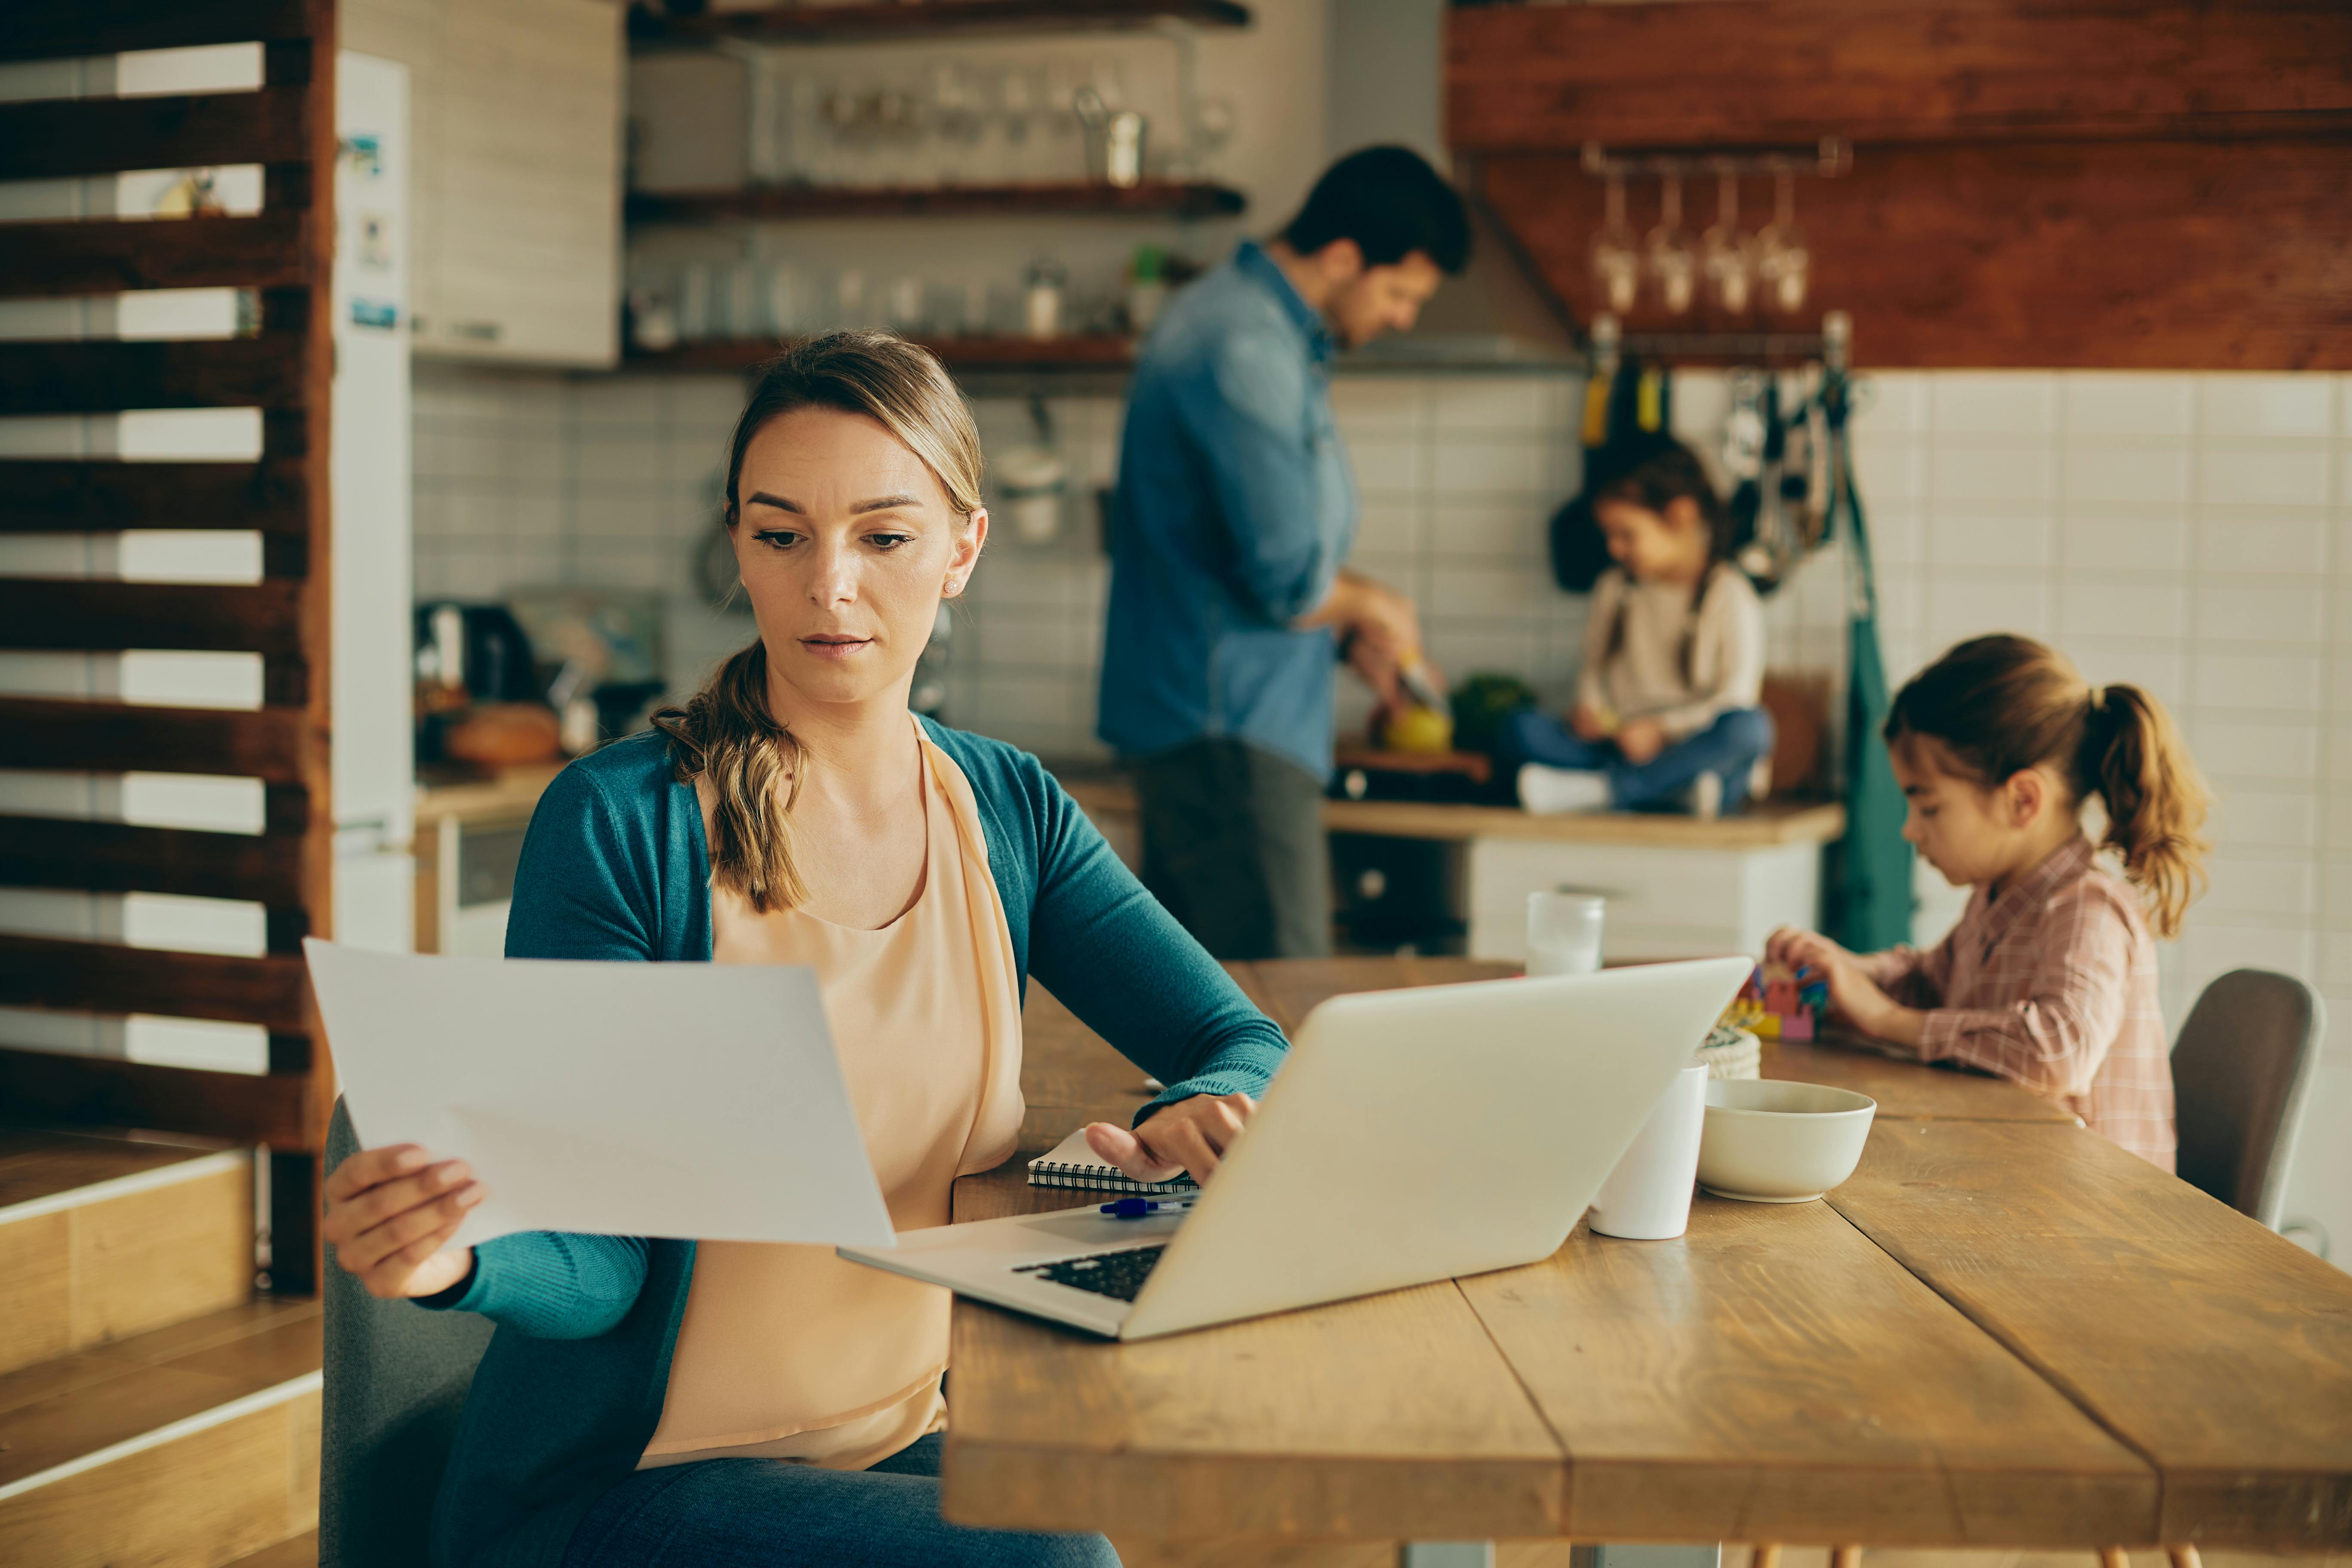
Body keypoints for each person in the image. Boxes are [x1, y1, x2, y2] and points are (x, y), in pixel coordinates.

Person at [320, 332, 1290, 1568]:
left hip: (882, 1435)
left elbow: (1235, 1036)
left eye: (884, 537)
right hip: (617, 1490)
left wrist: (1205, 1106)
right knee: (1051, 1564)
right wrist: (457, 1259)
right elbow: (605, 1260)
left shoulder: (1009, 810)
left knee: (1138, 1518)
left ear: (961, 552)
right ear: (739, 543)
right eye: (782, 535)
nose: (830, 585)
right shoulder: (623, 825)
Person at [1099, 145, 1471, 960]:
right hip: (1227, 735)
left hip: (1224, 725)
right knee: (1273, 1019)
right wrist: (1376, 605)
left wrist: (1347, 631)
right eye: (1400, 293)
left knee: (1218, 1027)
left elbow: (1255, 561)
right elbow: (1286, 572)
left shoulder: (1262, 333)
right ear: (1342, 257)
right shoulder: (1243, 348)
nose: (1404, 317)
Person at [1766, 633, 2211, 1169]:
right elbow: (1935, 979)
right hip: (2016, 1183)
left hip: (2098, 1222)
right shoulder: (1999, 896)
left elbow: (2059, 1051)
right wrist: (1851, 971)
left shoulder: (2087, 907)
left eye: (1928, 808)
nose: (1909, 830)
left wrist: (1885, 1019)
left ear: (2022, 800)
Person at [1507, 437, 1773, 820]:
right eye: (1609, 536)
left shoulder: (1730, 594)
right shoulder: (1614, 587)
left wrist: (1662, 730)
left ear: (1681, 516)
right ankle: (1669, 792)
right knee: (1521, 728)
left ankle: (1607, 791)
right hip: (1619, 745)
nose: (1614, 549)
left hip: (1688, 747)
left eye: (1627, 535)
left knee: (1749, 730)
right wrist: (1590, 709)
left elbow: (1734, 696)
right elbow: (1593, 668)